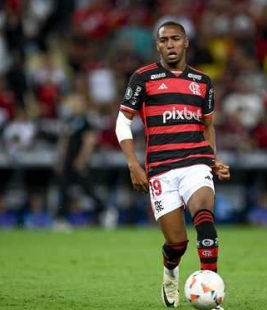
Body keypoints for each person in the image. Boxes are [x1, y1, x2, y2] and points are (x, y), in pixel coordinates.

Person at [115, 21, 230, 309]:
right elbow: (122, 122)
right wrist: (132, 164)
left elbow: (208, 126)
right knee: (177, 244)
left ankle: (211, 296)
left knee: (204, 219)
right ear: (158, 45)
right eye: (164, 40)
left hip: (196, 164)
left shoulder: (203, 82)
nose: (170, 44)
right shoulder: (143, 78)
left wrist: (212, 160)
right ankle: (170, 271)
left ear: (186, 42)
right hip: (161, 170)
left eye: (175, 38)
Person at [55, 94, 106, 227]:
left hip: (78, 160)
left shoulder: (85, 121)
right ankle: (61, 219)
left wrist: (82, 159)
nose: (73, 106)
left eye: (76, 103)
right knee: (64, 188)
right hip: (68, 160)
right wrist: (61, 159)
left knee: (87, 188)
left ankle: (104, 211)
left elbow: (89, 141)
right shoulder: (69, 120)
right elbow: (64, 141)